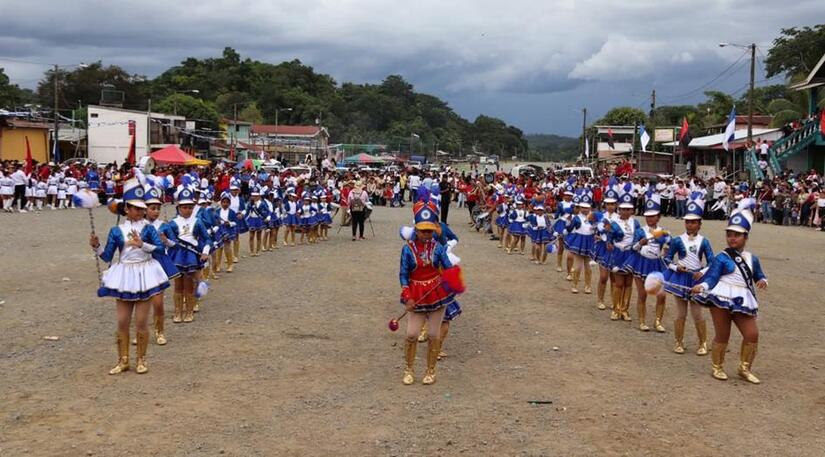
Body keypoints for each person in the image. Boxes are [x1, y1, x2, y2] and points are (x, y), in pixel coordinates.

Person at [90, 179, 171, 374]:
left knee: (142, 321)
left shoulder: (149, 228)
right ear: (126, 209)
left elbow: (160, 250)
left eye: (141, 208)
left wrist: (142, 244)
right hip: (125, 275)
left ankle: (141, 360)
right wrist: (96, 246)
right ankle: (123, 360)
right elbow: (108, 256)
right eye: (135, 208)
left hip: (145, 274)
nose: (140, 211)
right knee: (122, 321)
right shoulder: (116, 231)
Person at [692, 199, 767, 384]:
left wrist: (763, 280)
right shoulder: (722, 257)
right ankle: (717, 366)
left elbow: (758, 274)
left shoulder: (752, 258)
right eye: (730, 234)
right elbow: (712, 277)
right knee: (722, 334)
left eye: (737, 235)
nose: (732, 238)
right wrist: (702, 286)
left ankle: (744, 367)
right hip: (721, 298)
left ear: (746, 237)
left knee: (752, 334)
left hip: (743, 299)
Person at [398, 202, 457, 385]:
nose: (427, 234)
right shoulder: (407, 249)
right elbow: (403, 274)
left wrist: (451, 277)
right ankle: (409, 369)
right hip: (416, 294)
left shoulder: (438, 248)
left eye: (430, 231)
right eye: (423, 231)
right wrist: (407, 296)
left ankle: (431, 370)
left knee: (433, 334)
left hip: (437, 293)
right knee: (411, 334)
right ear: (416, 229)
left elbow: (448, 268)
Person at [663, 193, 713, 355]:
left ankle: (703, 343)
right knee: (681, 312)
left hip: (697, 279)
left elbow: (712, 262)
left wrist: (702, 271)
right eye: (688, 222)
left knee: (697, 313)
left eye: (694, 222)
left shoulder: (704, 241)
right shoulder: (677, 240)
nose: (690, 225)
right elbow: (667, 259)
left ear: (700, 224)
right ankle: (678, 342)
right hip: (681, 277)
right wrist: (676, 268)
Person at [163, 188, 212, 324]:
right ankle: (178, 312)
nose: (187, 210)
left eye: (190, 207)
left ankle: (189, 311)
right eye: (184, 207)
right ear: (179, 208)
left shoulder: (197, 221)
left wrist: (205, 252)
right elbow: (165, 240)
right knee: (178, 285)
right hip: (177, 256)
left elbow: (207, 238)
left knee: (189, 284)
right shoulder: (172, 223)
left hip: (192, 256)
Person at [624, 192, 670, 332]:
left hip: (656, 264)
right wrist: (640, 243)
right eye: (648, 216)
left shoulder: (663, 231)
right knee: (642, 293)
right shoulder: (640, 231)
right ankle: (642, 321)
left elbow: (669, 246)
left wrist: (666, 248)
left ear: (659, 217)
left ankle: (658, 321)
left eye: (653, 216)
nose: (650, 219)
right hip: (642, 263)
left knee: (661, 295)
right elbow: (633, 248)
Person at [144, 186, 179, 346]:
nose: (156, 211)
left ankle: (160, 331)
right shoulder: (138, 226)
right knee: (141, 302)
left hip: (159, 263)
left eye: (158, 208)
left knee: (158, 302)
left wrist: (165, 240)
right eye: (152, 208)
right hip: (141, 265)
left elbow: (174, 245)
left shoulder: (164, 225)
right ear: (144, 209)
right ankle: (141, 332)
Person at [605, 186, 642, 321]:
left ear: (632, 210)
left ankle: (625, 310)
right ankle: (616, 309)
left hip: (632, 254)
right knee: (619, 283)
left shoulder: (636, 222)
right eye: (623, 209)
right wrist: (609, 244)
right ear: (619, 210)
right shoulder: (614, 223)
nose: (626, 211)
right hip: (619, 254)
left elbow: (639, 236)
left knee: (628, 283)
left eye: (629, 209)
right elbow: (609, 238)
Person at [565, 190, 595, 294]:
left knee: (588, 267)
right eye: (582, 207)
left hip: (590, 242)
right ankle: (574, 284)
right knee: (578, 266)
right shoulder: (577, 218)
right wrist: (568, 221)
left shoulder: (593, 218)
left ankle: (588, 286)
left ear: (590, 208)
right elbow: (569, 229)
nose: (584, 209)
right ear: (580, 208)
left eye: (586, 208)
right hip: (579, 242)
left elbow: (597, 229)